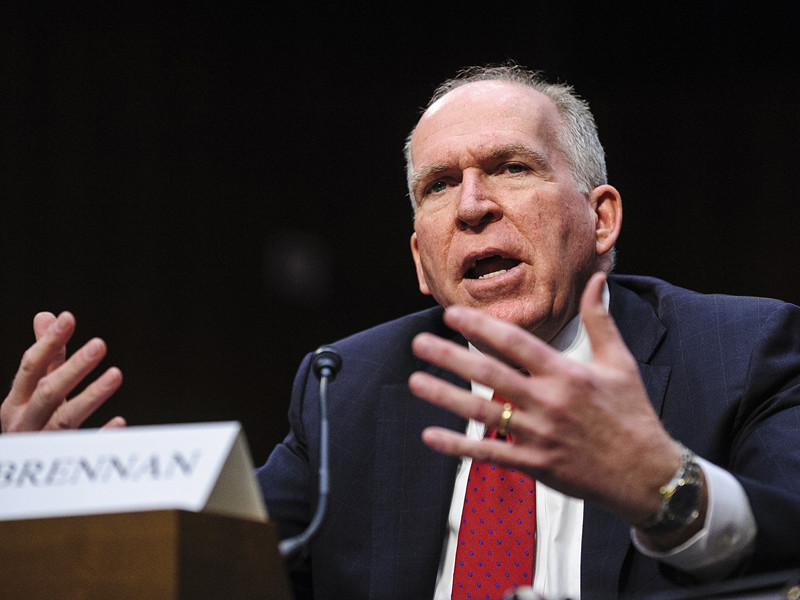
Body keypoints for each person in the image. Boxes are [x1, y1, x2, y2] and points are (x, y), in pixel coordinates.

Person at [3, 65, 800, 599]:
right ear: (423, 260)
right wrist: (45, 501)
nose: (473, 206)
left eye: (512, 167)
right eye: (440, 185)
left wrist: (665, 487)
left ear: (602, 219)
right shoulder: (346, 389)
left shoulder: (740, 354)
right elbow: (219, 569)